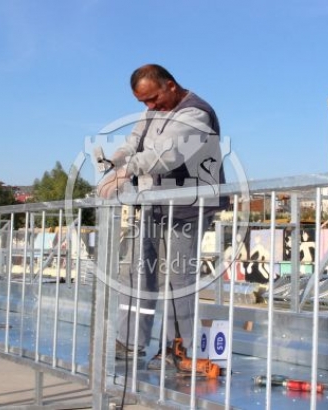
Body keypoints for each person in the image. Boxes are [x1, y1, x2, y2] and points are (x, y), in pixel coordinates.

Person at [97, 64, 225, 370]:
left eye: (153, 99)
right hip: (155, 203)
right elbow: (134, 143)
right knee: (139, 273)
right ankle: (130, 342)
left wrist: (125, 173)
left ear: (170, 85)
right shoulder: (153, 110)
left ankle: (181, 348)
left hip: (187, 206)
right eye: (143, 103)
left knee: (178, 277)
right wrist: (113, 162)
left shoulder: (196, 114)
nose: (150, 107)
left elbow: (168, 155)